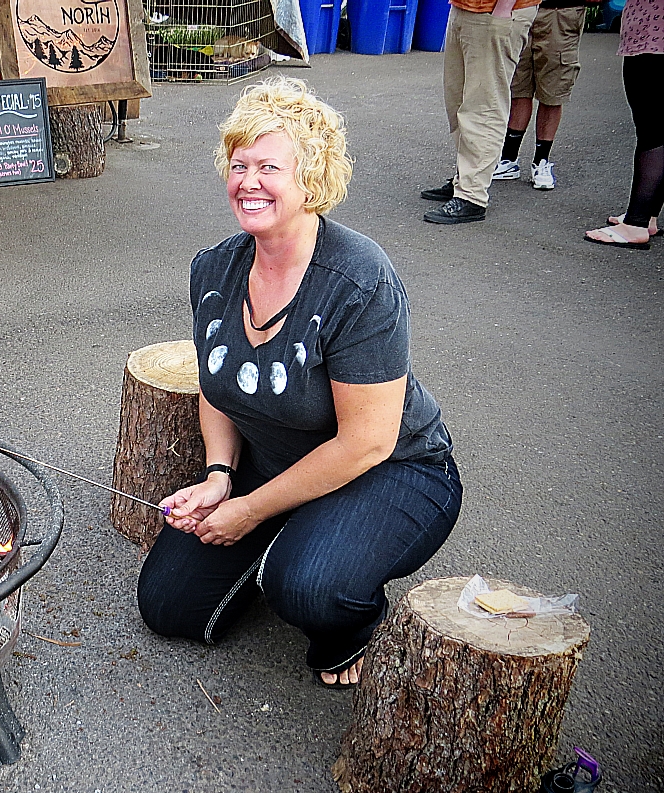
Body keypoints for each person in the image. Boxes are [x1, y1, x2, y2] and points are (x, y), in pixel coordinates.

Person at [137, 77, 463, 688]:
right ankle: (289, 538)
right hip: (277, 460)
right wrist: (219, 478)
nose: (248, 182)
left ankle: (348, 629)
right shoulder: (213, 268)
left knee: (309, 588)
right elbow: (216, 382)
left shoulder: (359, 278)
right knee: (167, 606)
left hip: (391, 469)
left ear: (312, 179)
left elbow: (367, 441)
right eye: (239, 165)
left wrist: (250, 511)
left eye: (269, 167)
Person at [420, 0, 541, 223]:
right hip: (466, 8)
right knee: (458, 101)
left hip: (495, 13)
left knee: (484, 106)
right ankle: (464, 180)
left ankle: (472, 195)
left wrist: (503, 9)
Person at [584, 0, 663, 249]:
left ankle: (636, 223)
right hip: (650, 34)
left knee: (652, 129)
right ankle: (647, 215)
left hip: (654, 37)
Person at [493, 0, 596, 190]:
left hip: (560, 12)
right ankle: (508, 159)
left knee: (553, 89)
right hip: (522, 9)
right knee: (518, 86)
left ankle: (541, 161)